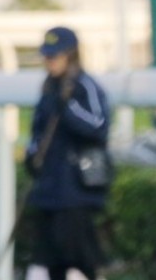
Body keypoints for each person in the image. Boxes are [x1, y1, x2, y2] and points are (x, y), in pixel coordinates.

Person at [24, 26, 112, 280]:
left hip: (76, 191)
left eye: (55, 55)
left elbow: (98, 126)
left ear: (71, 55)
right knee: (48, 263)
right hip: (48, 190)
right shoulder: (48, 88)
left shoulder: (86, 86)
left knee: (79, 261)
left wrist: (68, 107)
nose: (50, 61)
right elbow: (38, 131)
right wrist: (32, 155)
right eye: (47, 56)